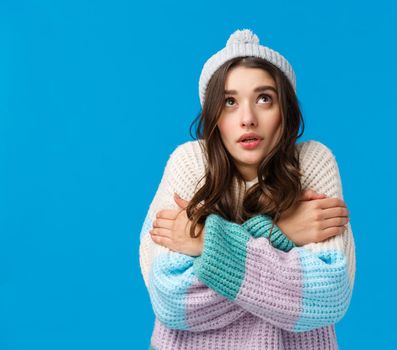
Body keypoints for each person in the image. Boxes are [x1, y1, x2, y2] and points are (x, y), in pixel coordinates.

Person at [139, 28, 356, 350]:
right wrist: (281, 232)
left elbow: (326, 297)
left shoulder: (311, 161)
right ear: (213, 116)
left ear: (286, 110)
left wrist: (205, 240)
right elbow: (174, 299)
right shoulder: (190, 162)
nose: (247, 118)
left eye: (264, 98)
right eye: (229, 102)